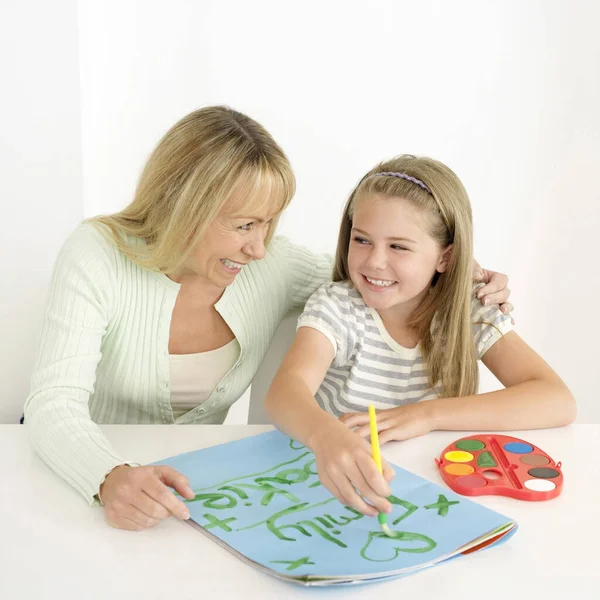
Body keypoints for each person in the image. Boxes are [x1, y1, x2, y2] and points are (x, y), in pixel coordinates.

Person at [24, 108, 513, 531]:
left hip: (186, 493)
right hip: (70, 480)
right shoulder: (96, 254)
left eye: (268, 225)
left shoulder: (269, 265)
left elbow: (374, 275)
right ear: (182, 208)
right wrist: (108, 476)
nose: (258, 248)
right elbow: (53, 403)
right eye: (243, 225)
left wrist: (463, 274)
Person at [264, 154, 575, 520]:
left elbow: (557, 400)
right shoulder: (338, 308)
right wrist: (325, 436)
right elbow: (285, 392)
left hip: (434, 497)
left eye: (398, 246)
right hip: (342, 494)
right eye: (362, 240)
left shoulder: (469, 312)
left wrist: (425, 415)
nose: (374, 261)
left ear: (446, 258)